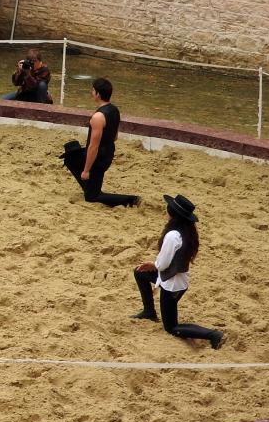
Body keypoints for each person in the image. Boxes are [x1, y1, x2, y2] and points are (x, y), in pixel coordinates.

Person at [131, 194, 224, 350]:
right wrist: (153, 265)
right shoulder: (187, 232)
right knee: (140, 272)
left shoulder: (172, 235)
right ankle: (149, 311)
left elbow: (162, 264)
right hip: (177, 279)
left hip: (172, 286)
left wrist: (154, 264)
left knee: (172, 327)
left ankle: (213, 334)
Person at [60, 77, 139, 207]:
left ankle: (131, 200)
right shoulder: (115, 110)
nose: (91, 92)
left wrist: (86, 170)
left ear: (98, 94)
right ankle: (90, 186)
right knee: (70, 157)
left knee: (92, 197)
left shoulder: (98, 117)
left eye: (93, 90)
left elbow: (93, 147)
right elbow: (115, 137)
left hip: (99, 158)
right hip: (108, 154)